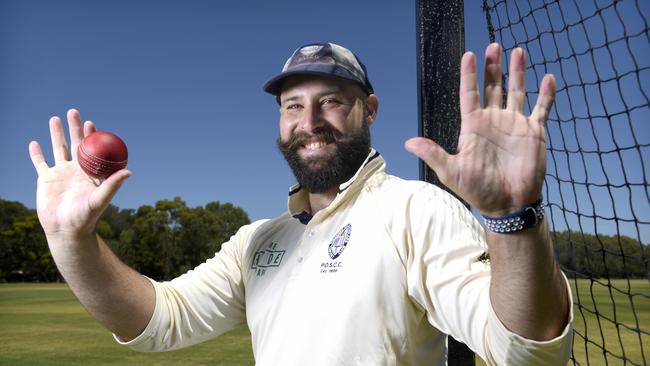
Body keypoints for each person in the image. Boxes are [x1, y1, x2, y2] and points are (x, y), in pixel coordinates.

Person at [29, 42, 573, 365]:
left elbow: (525, 350)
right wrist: (73, 242)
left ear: (370, 110)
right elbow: (158, 321)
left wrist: (510, 217)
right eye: (293, 106)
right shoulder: (257, 242)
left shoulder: (417, 210)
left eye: (331, 102)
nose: (308, 123)